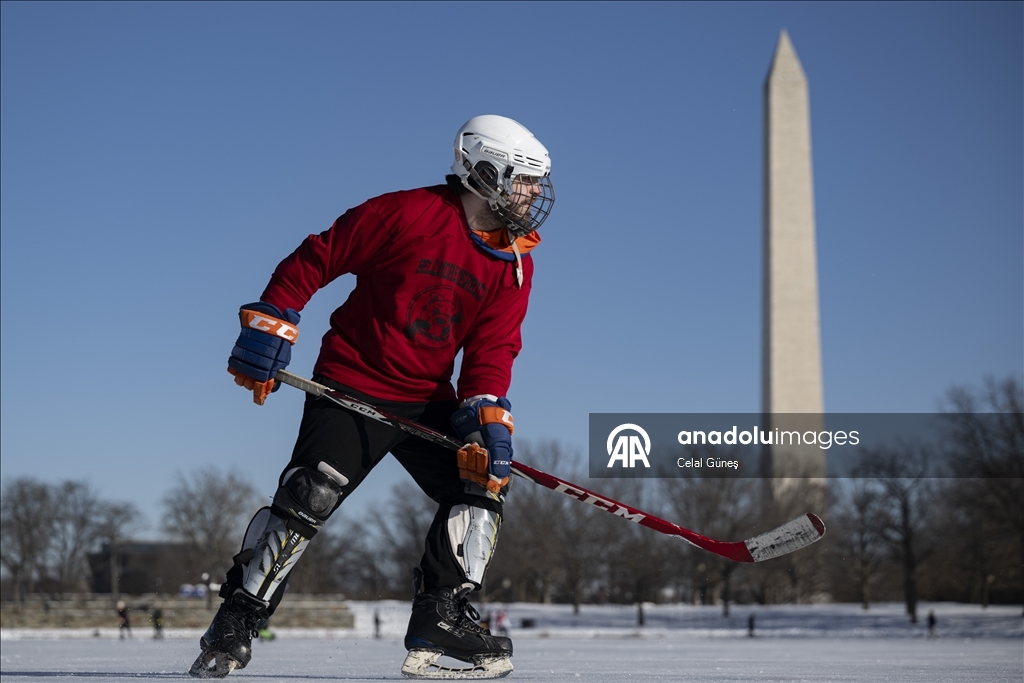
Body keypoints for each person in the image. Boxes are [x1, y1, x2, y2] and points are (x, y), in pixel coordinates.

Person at [189, 115, 554, 680]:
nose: (535, 193)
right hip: (353, 383)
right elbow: (318, 256)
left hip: (427, 400)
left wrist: (487, 415)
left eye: (538, 181)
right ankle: (238, 618)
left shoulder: (515, 264)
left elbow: (493, 350)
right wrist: (272, 321)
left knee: (481, 480)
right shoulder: (406, 213)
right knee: (311, 493)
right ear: (484, 171)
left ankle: (442, 614)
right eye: (526, 179)